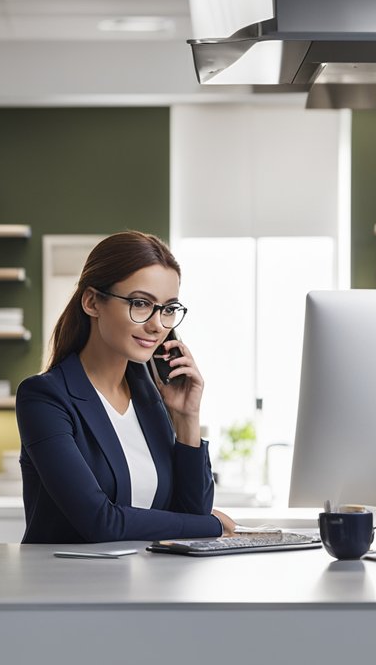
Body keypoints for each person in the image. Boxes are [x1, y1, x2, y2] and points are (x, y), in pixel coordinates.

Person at [16, 231, 238, 543]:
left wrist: (187, 417)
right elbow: (99, 521)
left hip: (146, 585)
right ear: (93, 302)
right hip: (65, 585)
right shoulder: (45, 398)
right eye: (140, 303)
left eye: (168, 308)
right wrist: (212, 525)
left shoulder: (151, 398)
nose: (157, 324)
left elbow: (191, 511)